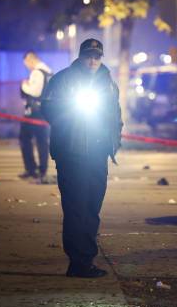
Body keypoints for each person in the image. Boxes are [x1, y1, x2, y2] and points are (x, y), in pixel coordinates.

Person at [41, 39, 123, 278]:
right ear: (80, 56)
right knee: (76, 207)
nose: (93, 61)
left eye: (97, 57)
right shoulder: (63, 79)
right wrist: (69, 121)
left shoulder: (107, 82)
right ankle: (78, 263)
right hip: (71, 153)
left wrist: (114, 140)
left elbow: (115, 114)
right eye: (89, 56)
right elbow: (47, 108)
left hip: (98, 154)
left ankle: (86, 259)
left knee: (91, 207)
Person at [20, 51, 51, 183]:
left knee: (24, 138)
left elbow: (35, 91)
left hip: (34, 112)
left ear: (29, 59)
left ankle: (31, 169)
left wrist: (24, 85)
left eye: (26, 63)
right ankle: (41, 170)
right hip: (45, 110)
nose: (27, 66)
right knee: (42, 141)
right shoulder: (49, 72)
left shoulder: (37, 72)